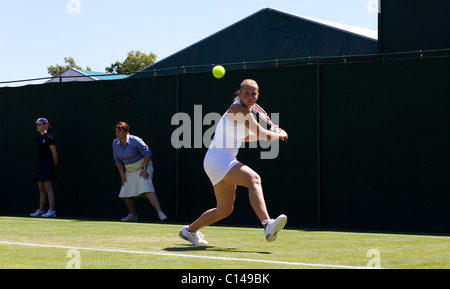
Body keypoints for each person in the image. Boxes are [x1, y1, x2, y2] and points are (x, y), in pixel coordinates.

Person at [179, 79, 288, 245]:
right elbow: (263, 135)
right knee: (254, 179)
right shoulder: (238, 108)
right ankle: (267, 224)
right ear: (239, 94)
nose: (250, 96)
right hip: (218, 158)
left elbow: (246, 138)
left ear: (257, 95)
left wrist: (272, 134)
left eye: (253, 94)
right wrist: (277, 134)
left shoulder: (244, 112)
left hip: (217, 160)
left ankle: (189, 231)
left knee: (224, 210)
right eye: (246, 93)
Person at [112, 122, 168, 222]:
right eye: (116, 132)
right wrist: (122, 175)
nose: (117, 134)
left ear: (126, 132)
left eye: (119, 131)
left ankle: (160, 213)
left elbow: (147, 153)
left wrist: (143, 169)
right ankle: (132, 215)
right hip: (129, 170)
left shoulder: (135, 140)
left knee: (147, 188)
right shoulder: (115, 143)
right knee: (125, 193)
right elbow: (118, 161)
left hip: (143, 166)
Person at [30, 118, 58, 218]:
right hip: (40, 164)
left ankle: (51, 211)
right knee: (41, 189)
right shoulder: (38, 138)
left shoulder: (49, 138)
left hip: (48, 164)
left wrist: (55, 165)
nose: (37, 126)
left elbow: (54, 152)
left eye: (39, 125)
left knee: (48, 188)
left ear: (45, 126)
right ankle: (41, 210)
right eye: (36, 125)